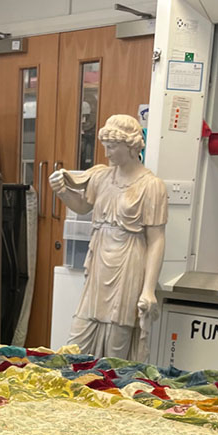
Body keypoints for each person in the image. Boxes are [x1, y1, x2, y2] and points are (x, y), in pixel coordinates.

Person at [49, 114, 168, 362]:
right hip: (99, 262)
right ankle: (79, 391)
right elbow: (83, 206)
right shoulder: (102, 176)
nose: (107, 152)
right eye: (106, 146)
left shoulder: (152, 186)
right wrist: (62, 191)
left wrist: (148, 290)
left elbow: (156, 239)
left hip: (128, 266)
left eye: (112, 146)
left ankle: (111, 393)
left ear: (131, 146)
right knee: (77, 342)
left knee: (116, 347)